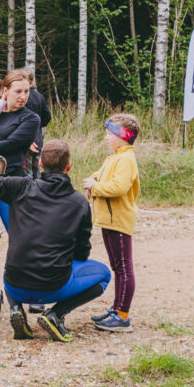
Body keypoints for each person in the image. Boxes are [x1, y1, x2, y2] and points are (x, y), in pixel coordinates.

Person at [0, 140, 111, 341]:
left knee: (13, 263)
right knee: (104, 275)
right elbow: (82, 252)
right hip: (55, 286)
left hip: (15, 283)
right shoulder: (79, 203)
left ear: (41, 164)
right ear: (69, 166)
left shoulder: (20, 187)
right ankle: (56, 314)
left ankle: (16, 308)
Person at [0, 69, 41, 286]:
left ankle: (31, 287)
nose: (23, 96)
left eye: (26, 91)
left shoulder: (31, 118)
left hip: (11, 183)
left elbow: (11, 144)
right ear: (5, 91)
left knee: (21, 238)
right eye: (18, 91)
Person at [82, 113, 141, 332]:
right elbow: (102, 175)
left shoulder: (125, 159)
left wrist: (95, 187)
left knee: (124, 267)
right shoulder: (115, 157)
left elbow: (118, 187)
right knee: (118, 266)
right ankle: (116, 309)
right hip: (108, 220)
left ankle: (122, 315)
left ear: (124, 136)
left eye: (110, 134)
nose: (106, 138)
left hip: (119, 220)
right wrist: (94, 180)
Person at [24, 71, 52, 178]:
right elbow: (47, 116)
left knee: (27, 171)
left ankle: (29, 192)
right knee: (36, 171)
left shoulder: (21, 97)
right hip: (38, 138)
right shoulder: (39, 96)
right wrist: (39, 125)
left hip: (25, 139)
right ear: (32, 80)